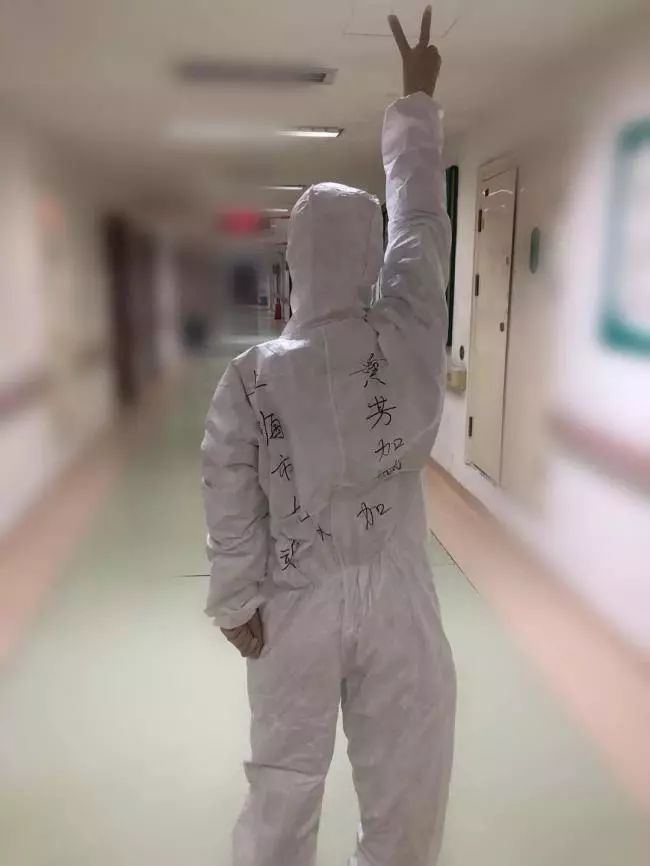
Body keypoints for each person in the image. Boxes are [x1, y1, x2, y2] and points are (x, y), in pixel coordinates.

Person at [201, 7, 457, 865]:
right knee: (408, 785)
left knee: (282, 784)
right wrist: (415, 104)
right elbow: (422, 225)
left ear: (296, 262)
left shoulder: (253, 375)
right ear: (369, 258)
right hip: (398, 593)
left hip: (294, 597)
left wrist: (237, 597)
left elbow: (226, 483)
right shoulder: (409, 334)